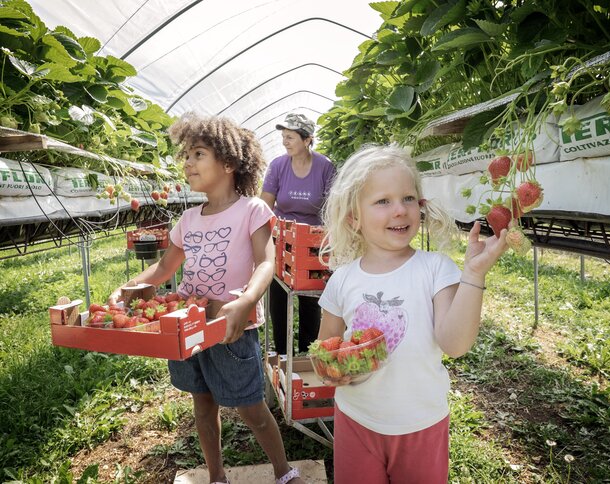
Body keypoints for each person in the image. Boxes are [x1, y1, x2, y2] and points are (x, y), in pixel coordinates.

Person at [109, 113, 303, 484]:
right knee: (202, 403)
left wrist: (246, 300)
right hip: (187, 324)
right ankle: (216, 476)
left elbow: (267, 261)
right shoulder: (187, 219)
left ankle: (283, 471)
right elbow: (165, 269)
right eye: (187, 155)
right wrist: (129, 286)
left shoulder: (252, 210)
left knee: (252, 408)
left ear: (228, 163)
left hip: (231, 326)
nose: (188, 163)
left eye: (198, 154)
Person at [316, 145, 509, 483]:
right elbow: (326, 346)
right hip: (356, 419)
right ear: (353, 218)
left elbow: (455, 344)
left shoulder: (435, 269)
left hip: (421, 424)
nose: (400, 211)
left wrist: (473, 275)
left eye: (408, 199)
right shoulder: (342, 278)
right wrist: (333, 371)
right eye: (382, 201)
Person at [260, 113, 336, 354]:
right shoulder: (278, 166)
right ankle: (283, 352)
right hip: (282, 240)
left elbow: (333, 207)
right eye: (283, 136)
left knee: (310, 297)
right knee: (279, 294)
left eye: (290, 137)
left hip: (314, 241)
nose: (285, 141)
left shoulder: (325, 167)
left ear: (307, 140)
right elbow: (265, 206)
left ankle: (307, 352)